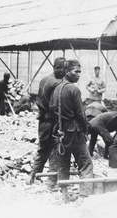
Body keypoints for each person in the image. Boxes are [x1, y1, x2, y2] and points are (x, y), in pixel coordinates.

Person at [50, 59, 93, 202]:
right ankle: (84, 196)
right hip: (75, 132)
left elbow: (52, 110)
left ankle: (64, 195)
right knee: (85, 163)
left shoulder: (57, 88)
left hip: (62, 133)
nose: (79, 75)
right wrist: (85, 129)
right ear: (67, 72)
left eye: (80, 72)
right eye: (76, 72)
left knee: (63, 164)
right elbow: (81, 114)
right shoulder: (74, 90)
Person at [29, 57, 66, 189]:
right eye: (62, 69)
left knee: (43, 148)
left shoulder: (44, 79)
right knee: (55, 149)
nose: (64, 72)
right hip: (51, 120)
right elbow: (55, 106)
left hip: (43, 120)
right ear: (56, 68)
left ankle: (33, 176)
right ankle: (51, 180)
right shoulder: (56, 84)